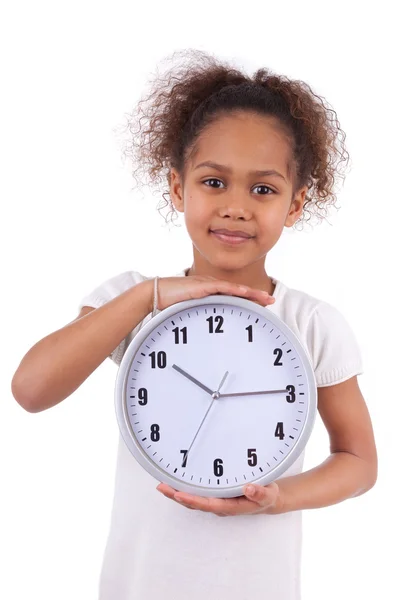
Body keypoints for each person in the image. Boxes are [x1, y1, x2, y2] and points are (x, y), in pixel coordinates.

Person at [11, 49, 378, 600]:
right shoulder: (132, 300)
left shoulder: (311, 322)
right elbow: (30, 390)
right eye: (213, 183)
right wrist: (147, 296)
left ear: (295, 204)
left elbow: (358, 462)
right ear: (179, 188)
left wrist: (280, 496)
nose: (236, 207)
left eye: (263, 189)